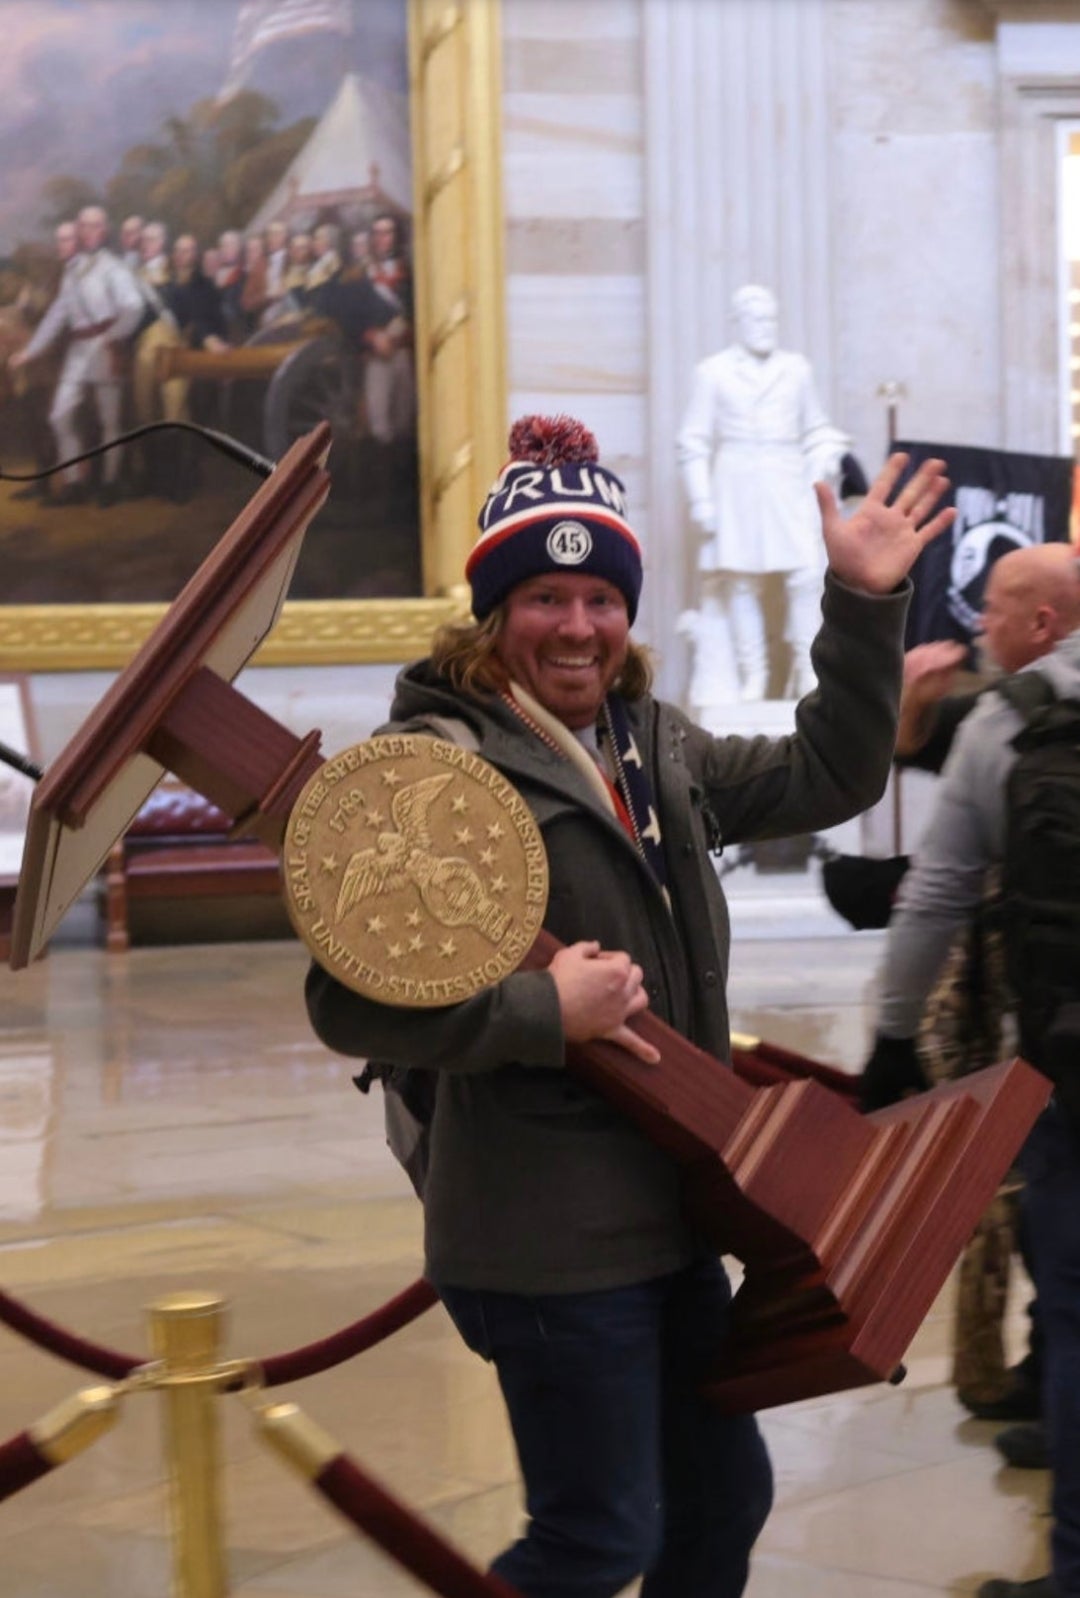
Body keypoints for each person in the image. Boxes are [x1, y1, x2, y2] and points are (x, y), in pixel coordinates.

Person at [304, 413, 953, 1598]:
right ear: (494, 612)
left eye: (601, 597)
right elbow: (349, 1004)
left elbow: (830, 773)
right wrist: (540, 1009)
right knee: (598, 1535)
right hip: (544, 1231)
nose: (579, 625)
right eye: (546, 597)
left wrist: (862, 606)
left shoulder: (653, 741)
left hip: (673, 1208)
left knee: (719, 1500)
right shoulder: (436, 760)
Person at [860, 542, 1080, 1598]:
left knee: (1075, 1290)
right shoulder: (992, 712)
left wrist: (892, 1036)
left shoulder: (1011, 723)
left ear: (1045, 621)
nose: (981, 622)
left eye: (997, 607)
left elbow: (937, 892)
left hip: (1066, 1059)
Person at [677, 285, 849, 702]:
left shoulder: (796, 369)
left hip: (786, 478)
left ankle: (809, 670)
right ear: (737, 324)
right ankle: (754, 676)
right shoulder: (712, 372)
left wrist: (828, 450)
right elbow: (693, 440)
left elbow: (816, 427)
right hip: (735, 481)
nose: (765, 328)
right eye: (756, 320)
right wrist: (702, 499)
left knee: (804, 577)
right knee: (741, 583)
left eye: (771, 319)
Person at [7, 205, 143, 507]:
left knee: (110, 421)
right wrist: (30, 352)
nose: (89, 232)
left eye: (95, 226)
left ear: (104, 231)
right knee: (60, 416)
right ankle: (73, 484)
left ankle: (110, 482)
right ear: (79, 230)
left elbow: (133, 307)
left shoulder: (113, 267)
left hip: (106, 348)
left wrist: (113, 337)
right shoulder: (73, 270)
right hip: (79, 351)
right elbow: (57, 315)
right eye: (84, 226)